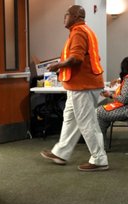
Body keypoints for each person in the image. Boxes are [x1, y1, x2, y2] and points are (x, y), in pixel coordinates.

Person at [40, 5, 109, 172]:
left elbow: (76, 59)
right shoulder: (84, 31)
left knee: (87, 123)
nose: (64, 17)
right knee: (70, 119)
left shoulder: (78, 32)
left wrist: (57, 65)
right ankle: (61, 152)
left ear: (77, 16)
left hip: (83, 86)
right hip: (80, 85)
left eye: (67, 14)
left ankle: (99, 159)